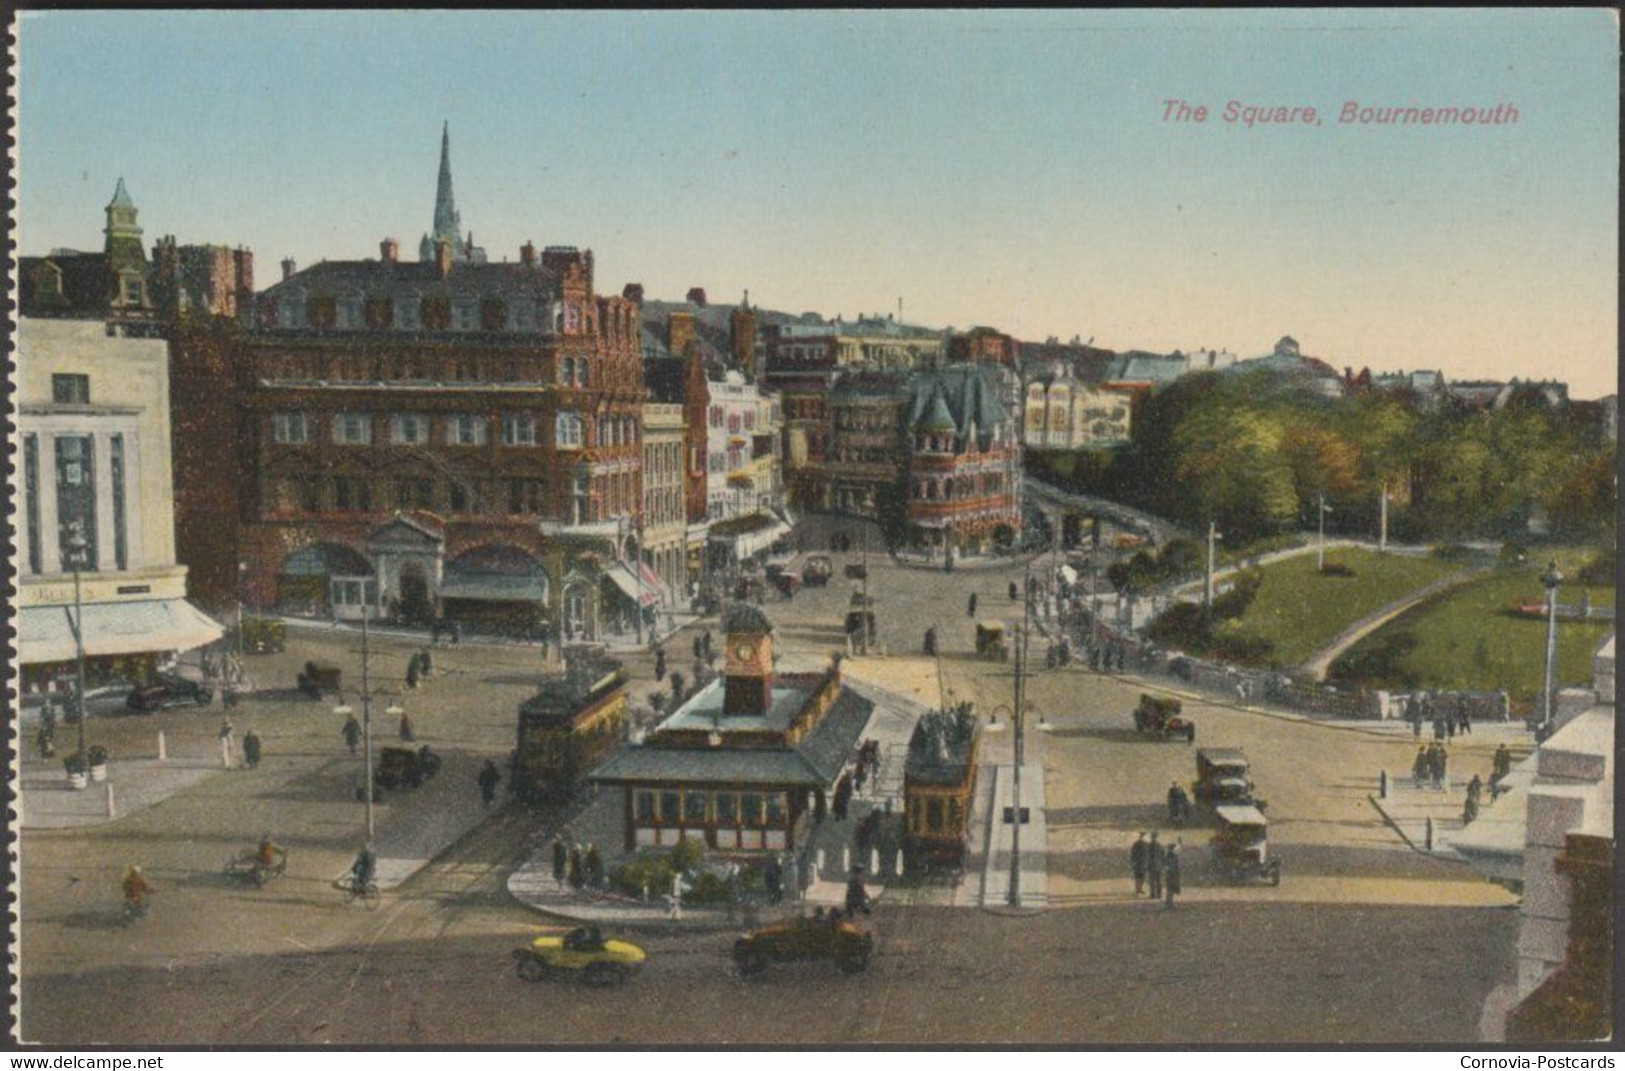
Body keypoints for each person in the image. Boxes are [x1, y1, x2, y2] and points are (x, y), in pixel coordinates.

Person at [1130, 832, 1149, 897]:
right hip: (1143, 863)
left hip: (1138, 863)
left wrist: (1133, 861)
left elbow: (1132, 853)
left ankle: (1138, 889)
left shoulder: (1136, 843)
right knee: (1141, 876)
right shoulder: (1146, 844)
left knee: (1138, 876)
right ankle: (1139, 889)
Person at [1163, 843, 1182, 909]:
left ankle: (1168, 903)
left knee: (1169, 889)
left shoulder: (1167, 856)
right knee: (1171, 890)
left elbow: (1166, 866)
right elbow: (1175, 866)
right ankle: (1170, 904)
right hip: (1173, 874)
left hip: (1169, 874)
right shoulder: (1173, 856)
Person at [1147, 832, 1165, 901]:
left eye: (1153, 837)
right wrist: (1163, 865)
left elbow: (1147, 856)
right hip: (1158, 865)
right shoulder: (1160, 845)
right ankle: (1159, 894)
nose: (1153, 838)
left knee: (1152, 881)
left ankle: (1152, 894)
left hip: (1152, 865)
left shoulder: (1149, 846)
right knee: (1158, 880)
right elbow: (1163, 856)